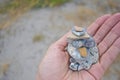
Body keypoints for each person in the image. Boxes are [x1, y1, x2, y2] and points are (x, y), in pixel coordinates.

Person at [36, 13, 120, 80]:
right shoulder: (73, 46)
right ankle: (80, 64)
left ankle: (82, 64)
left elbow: (88, 46)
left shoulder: (86, 43)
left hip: (86, 57)